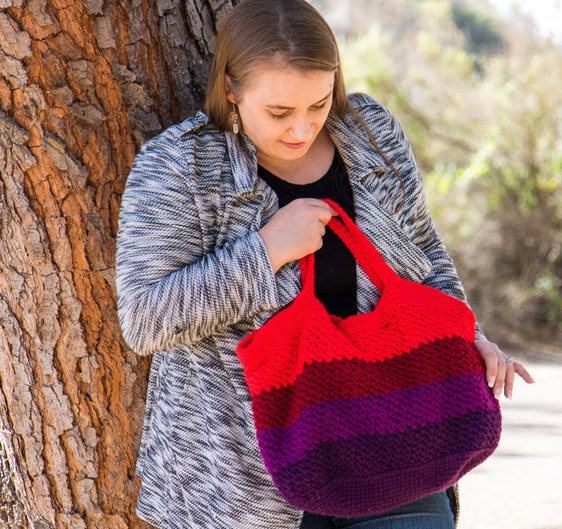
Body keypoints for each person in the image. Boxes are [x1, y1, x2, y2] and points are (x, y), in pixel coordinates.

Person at [115, 0, 534, 528]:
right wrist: (264, 252)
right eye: (279, 113)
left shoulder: (371, 132)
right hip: (248, 481)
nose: (303, 129)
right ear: (230, 89)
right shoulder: (179, 167)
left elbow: (425, 258)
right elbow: (144, 319)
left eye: (318, 103)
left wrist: (464, 334)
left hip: (399, 439)